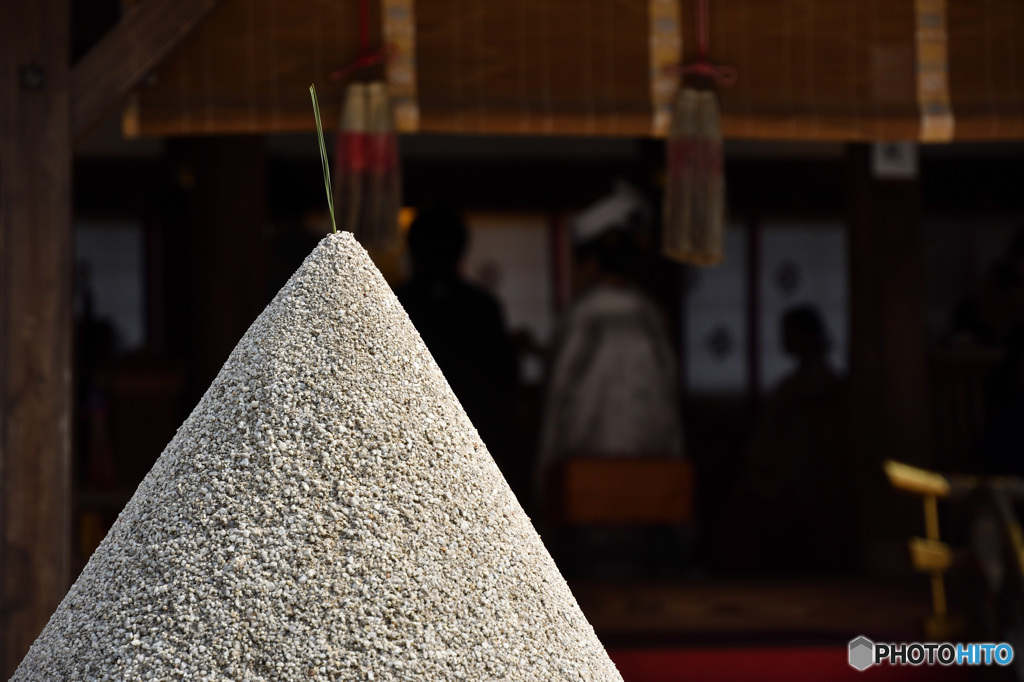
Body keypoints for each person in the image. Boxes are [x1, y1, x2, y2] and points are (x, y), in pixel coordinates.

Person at [536, 181, 686, 499]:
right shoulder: (651, 318)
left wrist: (544, 479)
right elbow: (670, 412)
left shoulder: (581, 319)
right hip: (652, 480)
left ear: (590, 260)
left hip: (583, 482)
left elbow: (557, 406)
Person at [395, 206, 518, 481]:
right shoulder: (482, 307)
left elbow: (502, 384)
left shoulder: (395, 301)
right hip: (468, 443)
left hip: (422, 442)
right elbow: (503, 387)